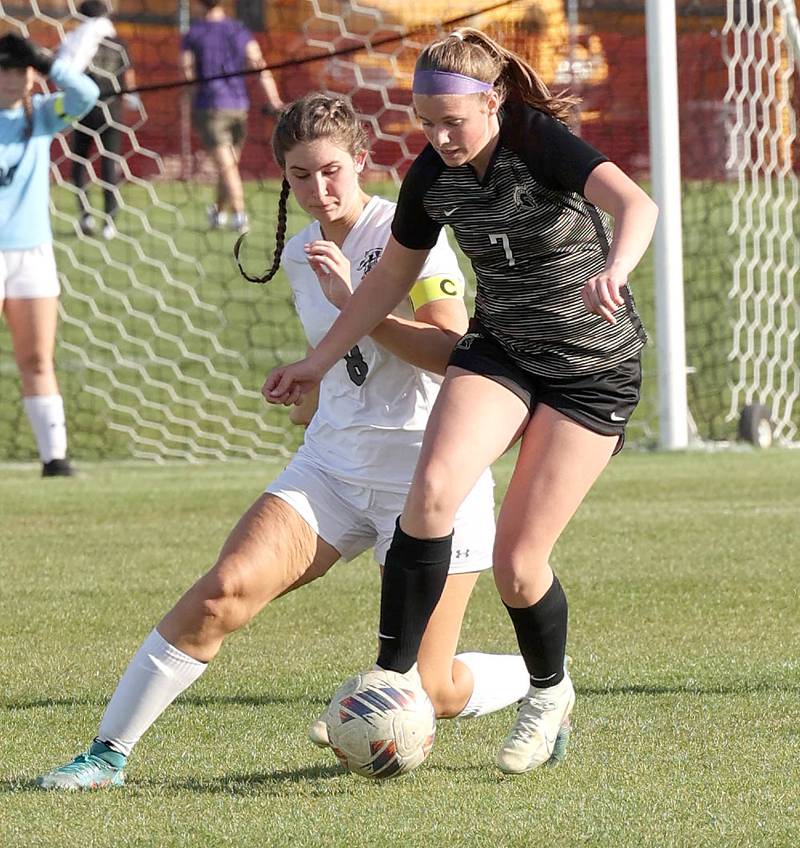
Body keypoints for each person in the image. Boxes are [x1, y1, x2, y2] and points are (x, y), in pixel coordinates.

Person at [35, 92, 532, 790]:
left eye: (330, 170)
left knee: (432, 689)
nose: (318, 189)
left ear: (362, 160)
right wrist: (308, 391)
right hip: (331, 465)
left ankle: (546, 681)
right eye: (300, 176)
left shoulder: (409, 233)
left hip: (429, 480)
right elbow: (344, 371)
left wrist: (353, 311)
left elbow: (455, 351)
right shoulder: (302, 252)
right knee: (223, 592)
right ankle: (106, 755)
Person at [264, 28, 658, 775]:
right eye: (426, 122)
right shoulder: (431, 174)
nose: (440, 138)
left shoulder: (540, 142)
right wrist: (317, 361)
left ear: (493, 102)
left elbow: (637, 205)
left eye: (455, 122)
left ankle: (548, 693)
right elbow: (383, 284)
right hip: (504, 349)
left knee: (517, 562)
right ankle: (393, 676)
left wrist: (617, 267)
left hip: (589, 367)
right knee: (435, 488)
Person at [0, 33, 99, 477]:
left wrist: (46, 62)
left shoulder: (39, 117)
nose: (15, 77)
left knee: (38, 359)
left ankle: (54, 460)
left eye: (21, 69)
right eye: (6, 68)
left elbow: (86, 95)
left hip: (32, 256)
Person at [180, 0, 284, 234]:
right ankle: (218, 213)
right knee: (228, 166)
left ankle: (239, 215)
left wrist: (186, 103)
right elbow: (259, 65)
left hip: (210, 107)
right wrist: (274, 100)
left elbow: (186, 72)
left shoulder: (193, 32)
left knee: (227, 167)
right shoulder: (238, 29)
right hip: (238, 106)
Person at [58, 0, 139, 240]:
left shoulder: (79, 43)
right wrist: (133, 101)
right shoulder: (119, 44)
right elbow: (130, 79)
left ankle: (86, 216)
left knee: (79, 162)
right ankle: (109, 222)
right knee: (109, 165)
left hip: (84, 110)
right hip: (112, 111)